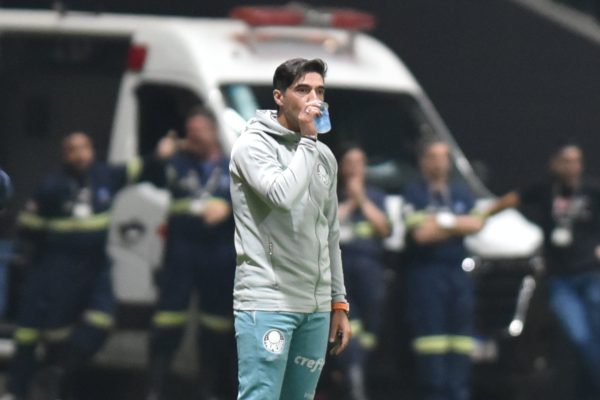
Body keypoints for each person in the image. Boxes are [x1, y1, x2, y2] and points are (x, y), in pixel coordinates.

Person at [229, 57, 351, 400]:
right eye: (303, 89)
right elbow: (281, 195)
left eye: (319, 90)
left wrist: (338, 304)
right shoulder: (252, 146)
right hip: (268, 301)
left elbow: (330, 234)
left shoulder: (324, 157)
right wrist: (309, 141)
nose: (314, 99)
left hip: (313, 308)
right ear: (279, 97)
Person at [3, 132, 148, 400]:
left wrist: (165, 150)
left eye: (83, 148)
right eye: (72, 150)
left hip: (96, 265)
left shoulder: (105, 177)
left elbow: (140, 167)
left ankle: (59, 371)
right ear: (64, 155)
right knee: (46, 332)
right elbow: (27, 227)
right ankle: (29, 386)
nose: (79, 154)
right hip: (59, 267)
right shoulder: (51, 187)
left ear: (92, 150)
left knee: (100, 319)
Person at [485, 141, 600, 399]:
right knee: (579, 336)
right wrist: (479, 217)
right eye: (566, 161)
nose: (572, 167)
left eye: (576, 161)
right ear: (555, 164)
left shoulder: (592, 190)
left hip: (591, 274)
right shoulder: (547, 190)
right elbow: (511, 199)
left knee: (597, 332)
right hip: (562, 279)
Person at [145, 106, 236, 400]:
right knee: (168, 322)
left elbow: (256, 208)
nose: (193, 137)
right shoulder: (177, 165)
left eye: (199, 132)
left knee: (215, 326)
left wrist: (229, 209)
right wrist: (161, 154)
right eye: (190, 132)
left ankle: (207, 388)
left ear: (212, 132)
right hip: (181, 256)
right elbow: (148, 177)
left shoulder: (233, 168)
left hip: (218, 258)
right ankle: (155, 388)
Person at [402, 137, 484, 400]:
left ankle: (458, 391)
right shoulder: (414, 193)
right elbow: (422, 235)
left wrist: (441, 222)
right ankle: (434, 391)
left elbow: (476, 224)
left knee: (461, 339)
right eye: (433, 157)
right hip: (427, 273)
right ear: (424, 161)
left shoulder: (460, 192)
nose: (439, 163)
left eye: (443, 157)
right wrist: (456, 224)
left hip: (456, 274)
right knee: (431, 339)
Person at [333, 145, 390, 400]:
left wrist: (362, 200)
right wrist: (350, 201)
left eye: (360, 163)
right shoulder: (332, 195)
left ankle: (358, 368)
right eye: (349, 163)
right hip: (342, 270)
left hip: (371, 269)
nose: (355, 168)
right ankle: (354, 381)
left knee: (371, 325)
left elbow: (384, 228)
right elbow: (326, 228)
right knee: (347, 323)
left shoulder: (377, 196)